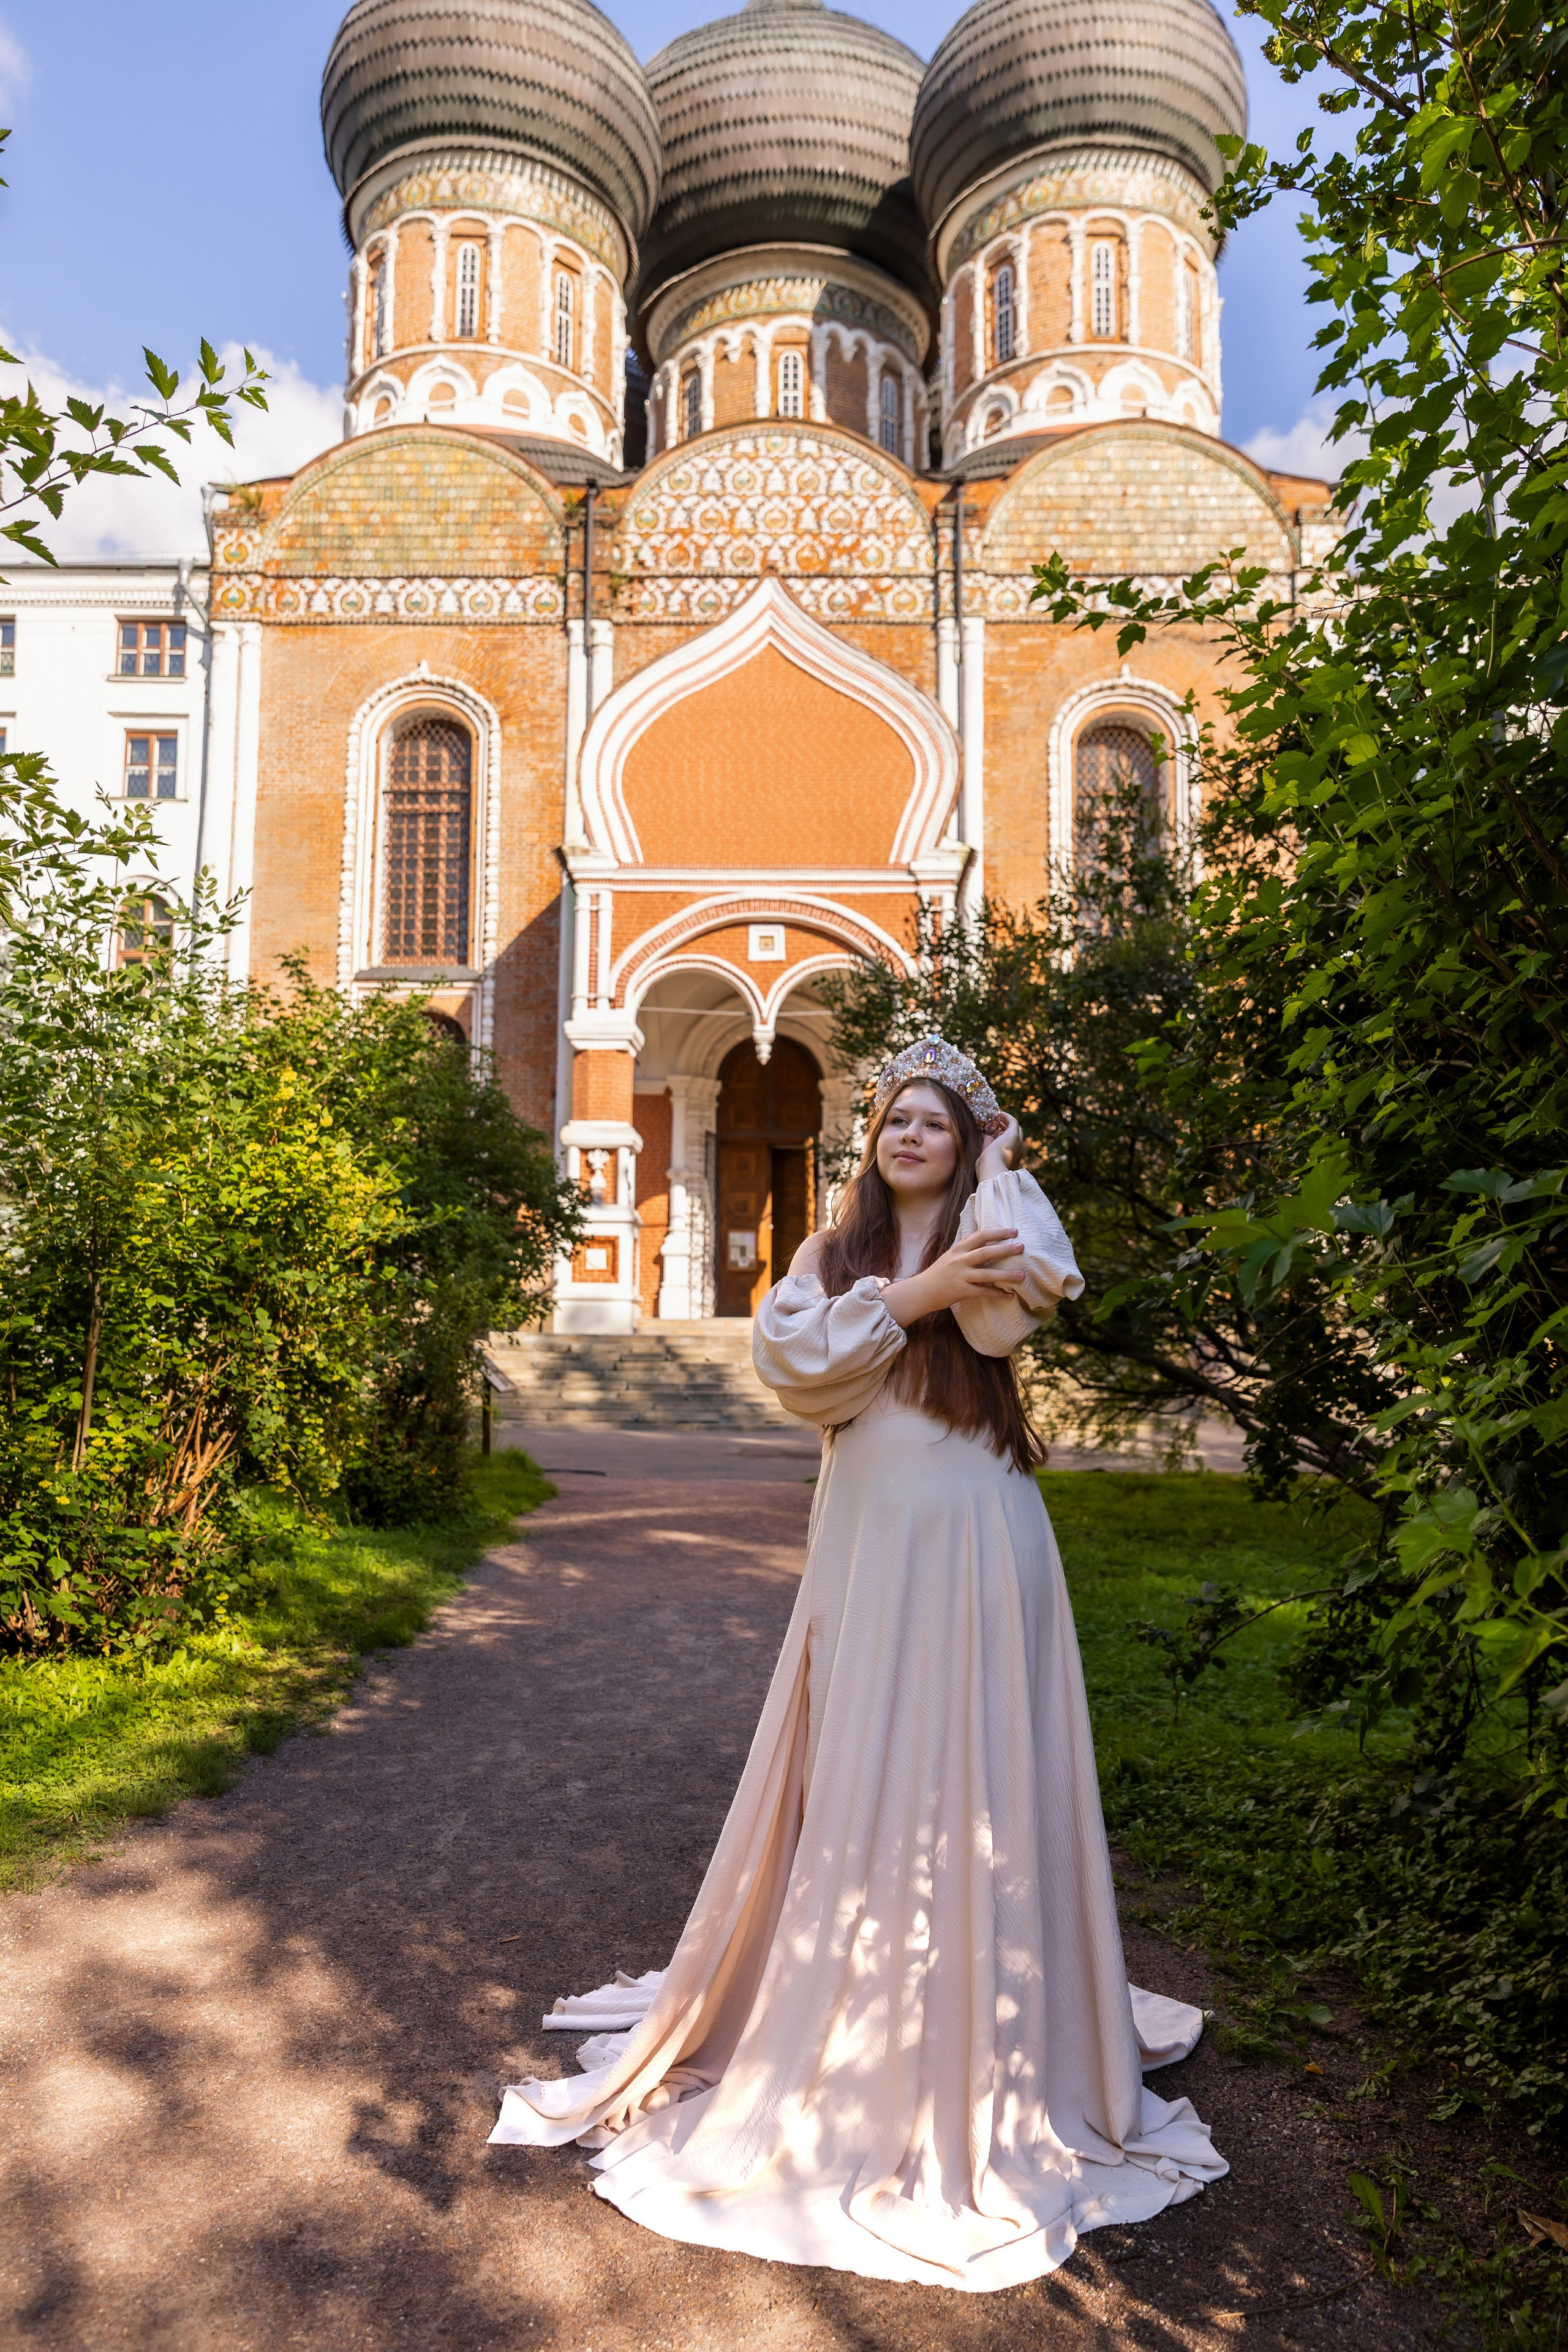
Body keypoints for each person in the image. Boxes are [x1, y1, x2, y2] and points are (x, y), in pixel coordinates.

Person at [489, 1035, 1225, 2291]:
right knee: (864, 1749)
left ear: (963, 1141)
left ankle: (979, 2010)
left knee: (982, 1762)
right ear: (869, 1144)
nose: (907, 1135)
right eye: (893, 1120)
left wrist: (999, 1166)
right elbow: (796, 1370)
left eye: (934, 1124)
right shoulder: (832, 1258)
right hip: (870, 1547)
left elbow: (1026, 1294)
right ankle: (845, 1994)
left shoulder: (991, 1230)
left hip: (986, 1536)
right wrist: (910, 1294)